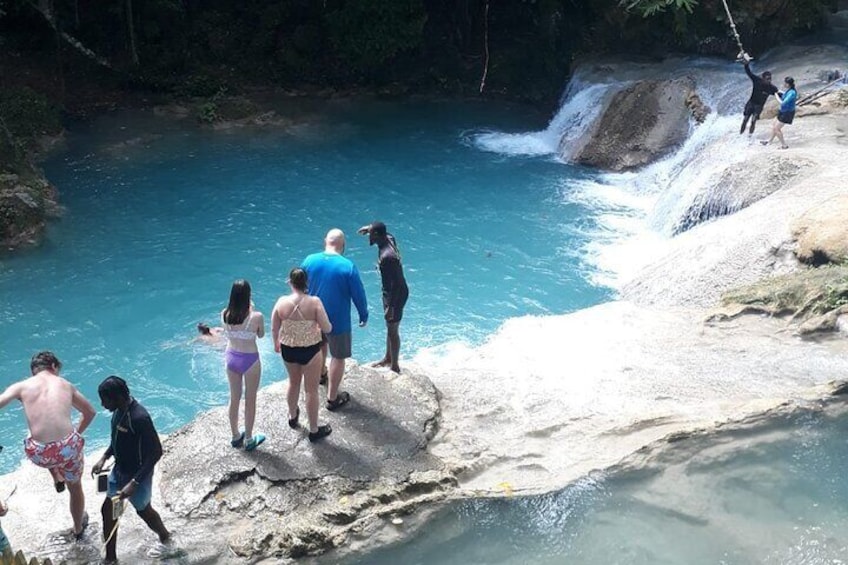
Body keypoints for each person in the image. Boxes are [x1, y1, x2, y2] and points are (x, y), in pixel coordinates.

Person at [0, 351, 96, 539]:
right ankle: (78, 529)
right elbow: (90, 412)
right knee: (75, 487)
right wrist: (75, 435)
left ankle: (56, 475)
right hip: (67, 451)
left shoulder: (21, 386)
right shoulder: (65, 384)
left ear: (34, 371)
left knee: (33, 434)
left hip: (40, 454)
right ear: (53, 366)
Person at [91, 376, 170, 564]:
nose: (102, 404)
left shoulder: (139, 417)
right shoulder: (118, 412)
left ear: (117, 397)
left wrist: (134, 483)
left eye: (105, 399)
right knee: (109, 510)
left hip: (137, 476)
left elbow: (156, 452)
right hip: (119, 472)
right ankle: (111, 558)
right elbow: (117, 439)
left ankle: (165, 536)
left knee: (144, 511)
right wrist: (105, 457)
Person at [301, 229, 368, 411]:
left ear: (325, 241)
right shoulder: (347, 266)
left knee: (319, 345)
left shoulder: (309, 260)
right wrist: (363, 314)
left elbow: (300, 288)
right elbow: (358, 294)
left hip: (313, 316)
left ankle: (321, 373)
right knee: (338, 356)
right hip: (338, 319)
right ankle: (332, 398)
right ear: (343, 244)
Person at [271, 268, 333, 442]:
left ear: (290, 282)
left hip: (288, 349)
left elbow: (274, 327)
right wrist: (318, 327)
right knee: (311, 390)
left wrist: (276, 343)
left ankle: (292, 416)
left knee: (293, 382)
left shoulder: (281, 302)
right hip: (310, 350)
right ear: (306, 283)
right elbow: (327, 327)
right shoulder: (314, 302)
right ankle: (314, 430)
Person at [357, 221, 409, 373]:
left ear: (378, 235)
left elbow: (395, 285)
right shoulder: (389, 238)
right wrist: (368, 228)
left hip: (396, 294)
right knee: (390, 326)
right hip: (392, 292)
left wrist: (391, 307)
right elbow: (386, 232)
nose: (369, 237)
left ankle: (395, 366)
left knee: (393, 329)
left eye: (371, 233)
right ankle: (388, 357)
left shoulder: (388, 257)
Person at [221, 279, 266, 451]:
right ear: (248, 296)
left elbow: (229, 330)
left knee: (234, 398)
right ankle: (248, 439)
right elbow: (261, 335)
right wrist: (252, 311)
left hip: (231, 357)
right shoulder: (256, 317)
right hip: (250, 359)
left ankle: (234, 436)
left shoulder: (224, 314)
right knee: (250, 399)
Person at [738, 53, 778, 135]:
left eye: (770, 79)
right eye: (767, 79)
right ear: (763, 78)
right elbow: (749, 73)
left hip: (759, 106)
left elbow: (779, 94)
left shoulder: (772, 88)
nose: (769, 81)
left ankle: (750, 136)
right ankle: (740, 134)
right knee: (745, 119)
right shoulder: (757, 80)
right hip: (751, 103)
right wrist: (746, 64)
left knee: (753, 121)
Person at [762, 76, 798, 149]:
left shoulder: (792, 93)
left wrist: (776, 96)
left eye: (785, 83)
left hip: (787, 113)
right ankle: (769, 141)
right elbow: (784, 94)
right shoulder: (789, 90)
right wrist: (778, 91)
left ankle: (784, 145)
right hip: (783, 111)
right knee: (774, 125)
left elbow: (783, 103)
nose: (784, 84)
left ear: (788, 84)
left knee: (776, 129)